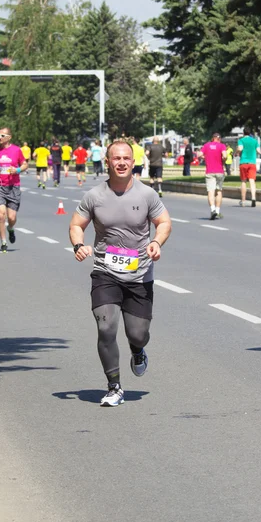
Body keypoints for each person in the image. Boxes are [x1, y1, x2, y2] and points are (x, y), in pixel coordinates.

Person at [69, 140, 172, 406]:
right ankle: (114, 386)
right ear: (108, 161)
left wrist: (156, 242)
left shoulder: (147, 194)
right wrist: (78, 245)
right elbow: (76, 224)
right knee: (106, 327)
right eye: (117, 158)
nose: (122, 163)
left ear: (134, 160)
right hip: (105, 271)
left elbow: (163, 222)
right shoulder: (94, 196)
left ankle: (137, 350)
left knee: (138, 333)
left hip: (140, 274)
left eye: (127, 158)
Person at [0, 127, 28, 253]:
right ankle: (3, 242)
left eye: (2, 135)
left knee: (11, 217)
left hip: (13, 186)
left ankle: (10, 228)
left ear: (9, 137)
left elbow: (24, 164)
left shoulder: (16, 150)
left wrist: (17, 170)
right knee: (1, 214)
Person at [198, 132, 227, 220]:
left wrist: (205, 157)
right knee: (219, 191)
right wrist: (223, 160)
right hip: (219, 171)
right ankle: (217, 211)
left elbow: (199, 155)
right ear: (219, 139)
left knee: (211, 191)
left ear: (212, 138)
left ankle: (212, 209)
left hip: (210, 171)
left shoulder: (206, 145)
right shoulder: (222, 146)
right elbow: (225, 156)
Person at [237, 128, 261, 207]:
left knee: (243, 181)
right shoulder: (254, 141)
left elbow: (240, 148)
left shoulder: (241, 140)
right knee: (252, 181)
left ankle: (243, 200)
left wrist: (236, 152)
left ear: (243, 133)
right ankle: (253, 198)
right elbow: (258, 151)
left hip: (243, 162)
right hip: (252, 163)